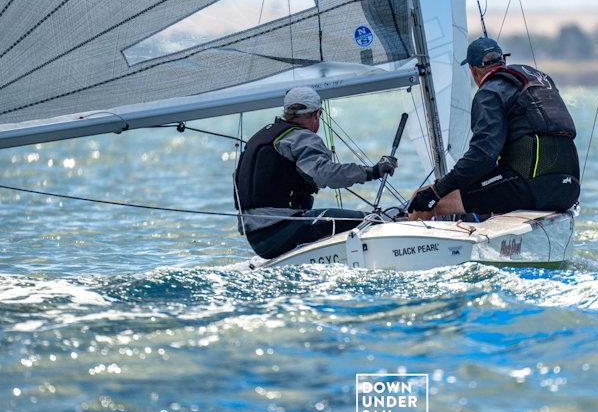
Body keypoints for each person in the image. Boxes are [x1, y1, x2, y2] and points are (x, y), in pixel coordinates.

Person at [407, 37, 580, 219]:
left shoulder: (489, 92)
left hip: (530, 189)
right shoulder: (535, 80)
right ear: (503, 60)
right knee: (489, 188)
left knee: (425, 201)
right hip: (568, 190)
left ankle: (410, 243)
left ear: (473, 71)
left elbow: (482, 156)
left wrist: (436, 191)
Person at [234, 86, 397, 258]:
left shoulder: (261, 137)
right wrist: (373, 171)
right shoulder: (301, 138)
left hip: (257, 239)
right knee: (372, 222)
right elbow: (325, 174)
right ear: (316, 114)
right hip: (281, 231)